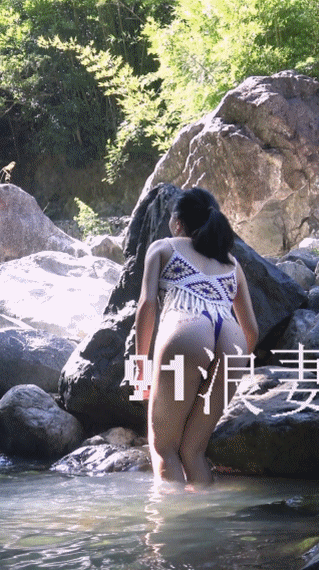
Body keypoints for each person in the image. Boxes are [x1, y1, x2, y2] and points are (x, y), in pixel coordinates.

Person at [134, 187, 258, 485]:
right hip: (233, 344)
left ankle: (170, 515)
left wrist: (141, 369)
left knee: (164, 448)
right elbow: (252, 331)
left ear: (178, 223)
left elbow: (147, 306)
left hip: (187, 334)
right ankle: (205, 513)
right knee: (193, 451)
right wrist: (228, 370)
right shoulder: (231, 264)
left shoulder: (163, 247)